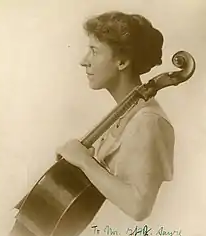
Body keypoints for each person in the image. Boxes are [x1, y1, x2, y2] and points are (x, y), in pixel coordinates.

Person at [57, 11, 175, 222]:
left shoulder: (148, 121)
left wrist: (85, 161)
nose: (84, 61)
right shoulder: (125, 113)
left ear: (121, 62)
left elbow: (138, 206)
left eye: (94, 51)